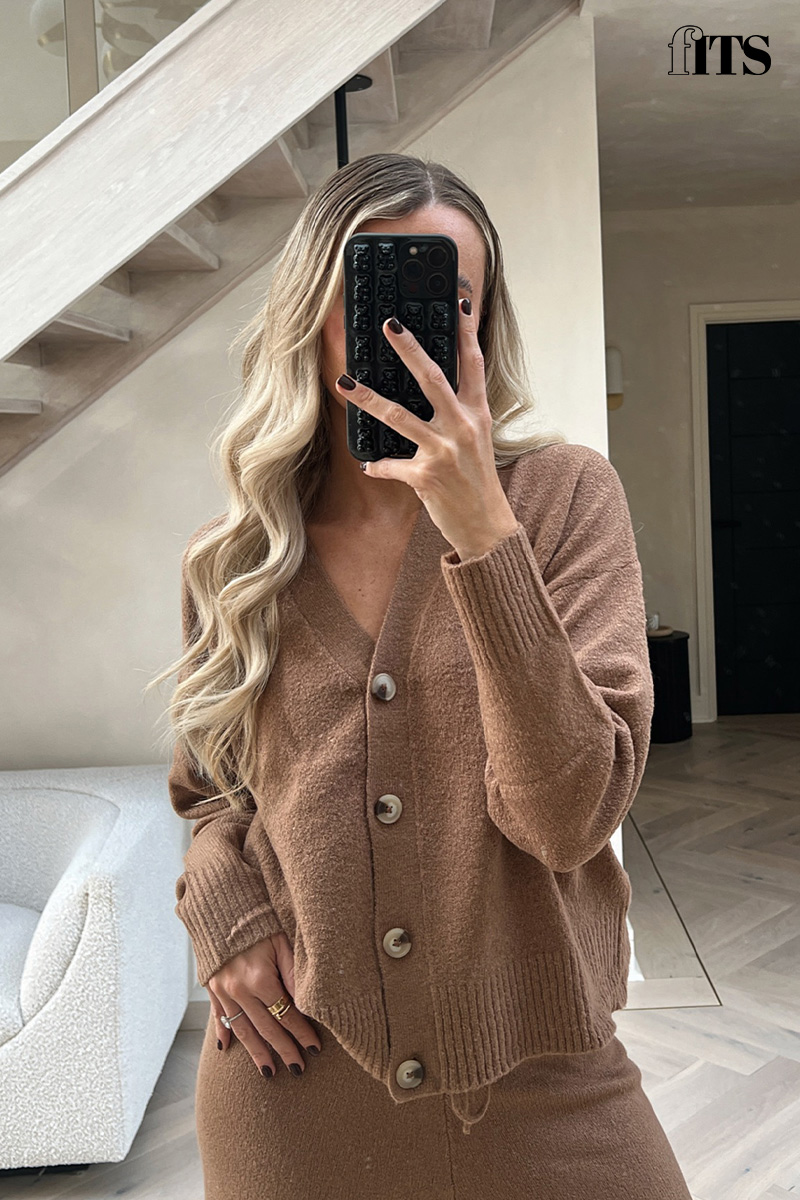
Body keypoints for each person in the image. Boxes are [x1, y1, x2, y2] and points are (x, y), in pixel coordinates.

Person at [151, 153, 692, 1200]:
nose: (408, 332)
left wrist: (483, 532)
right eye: (377, 293)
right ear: (314, 312)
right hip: (292, 1077)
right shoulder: (234, 558)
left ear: (481, 329)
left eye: (450, 301)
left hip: (540, 1072)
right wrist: (224, 911)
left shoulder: (565, 500)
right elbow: (213, 794)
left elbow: (569, 816)